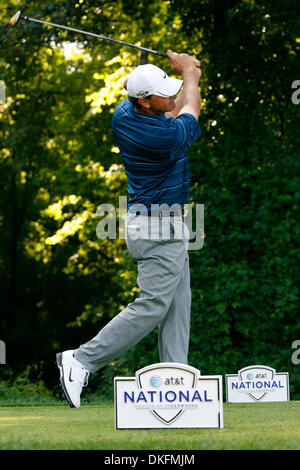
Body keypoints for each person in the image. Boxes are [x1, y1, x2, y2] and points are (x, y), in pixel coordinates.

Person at [56, 50, 202, 408]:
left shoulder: (126, 113)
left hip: (158, 223)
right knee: (153, 305)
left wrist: (181, 74)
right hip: (158, 228)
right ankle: (82, 360)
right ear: (145, 101)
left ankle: (175, 382)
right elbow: (189, 111)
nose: (170, 97)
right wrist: (192, 76)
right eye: (163, 93)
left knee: (178, 305)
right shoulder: (163, 138)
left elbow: (174, 105)